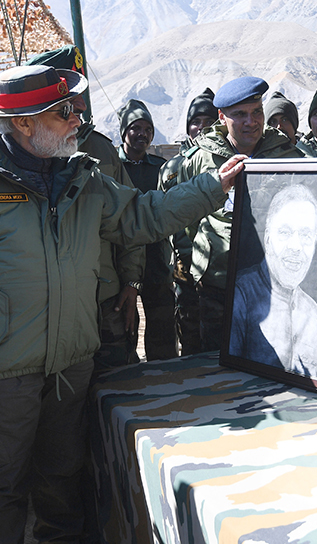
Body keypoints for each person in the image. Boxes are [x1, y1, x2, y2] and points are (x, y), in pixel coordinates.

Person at [0, 65, 245, 543]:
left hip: (71, 374)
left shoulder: (83, 179)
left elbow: (144, 215)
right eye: (64, 113)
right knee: (1, 496)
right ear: (23, 122)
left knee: (63, 493)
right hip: (1, 382)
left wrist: (212, 187)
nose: (77, 121)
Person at [26, 46, 145, 371]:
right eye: (66, 101)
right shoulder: (18, 158)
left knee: (117, 386)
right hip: (45, 307)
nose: (78, 108)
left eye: (79, 96)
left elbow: (130, 220)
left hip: (105, 300)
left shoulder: (101, 150)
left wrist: (131, 284)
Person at [177, 76, 303, 351]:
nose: (251, 121)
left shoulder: (286, 156)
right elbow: (185, 220)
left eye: (257, 112)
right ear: (222, 117)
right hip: (217, 286)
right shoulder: (201, 159)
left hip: (271, 287)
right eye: (240, 115)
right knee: (214, 361)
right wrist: (199, 263)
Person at [229, 184, 317, 381]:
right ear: (267, 238)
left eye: (306, 235)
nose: (296, 247)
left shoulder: (314, 314)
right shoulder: (241, 295)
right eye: (284, 232)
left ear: (315, 244)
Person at [159, 88, 219, 356]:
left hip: (218, 272)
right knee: (191, 340)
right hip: (184, 270)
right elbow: (160, 218)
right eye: (196, 122)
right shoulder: (171, 168)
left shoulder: (226, 163)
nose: (202, 128)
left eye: (209, 122)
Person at [117, 99, 177, 360]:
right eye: (135, 128)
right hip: (122, 255)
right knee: (123, 324)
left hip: (155, 257)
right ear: (123, 132)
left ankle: (164, 379)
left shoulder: (159, 168)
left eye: (147, 129)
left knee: (162, 323)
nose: (142, 134)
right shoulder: (112, 167)